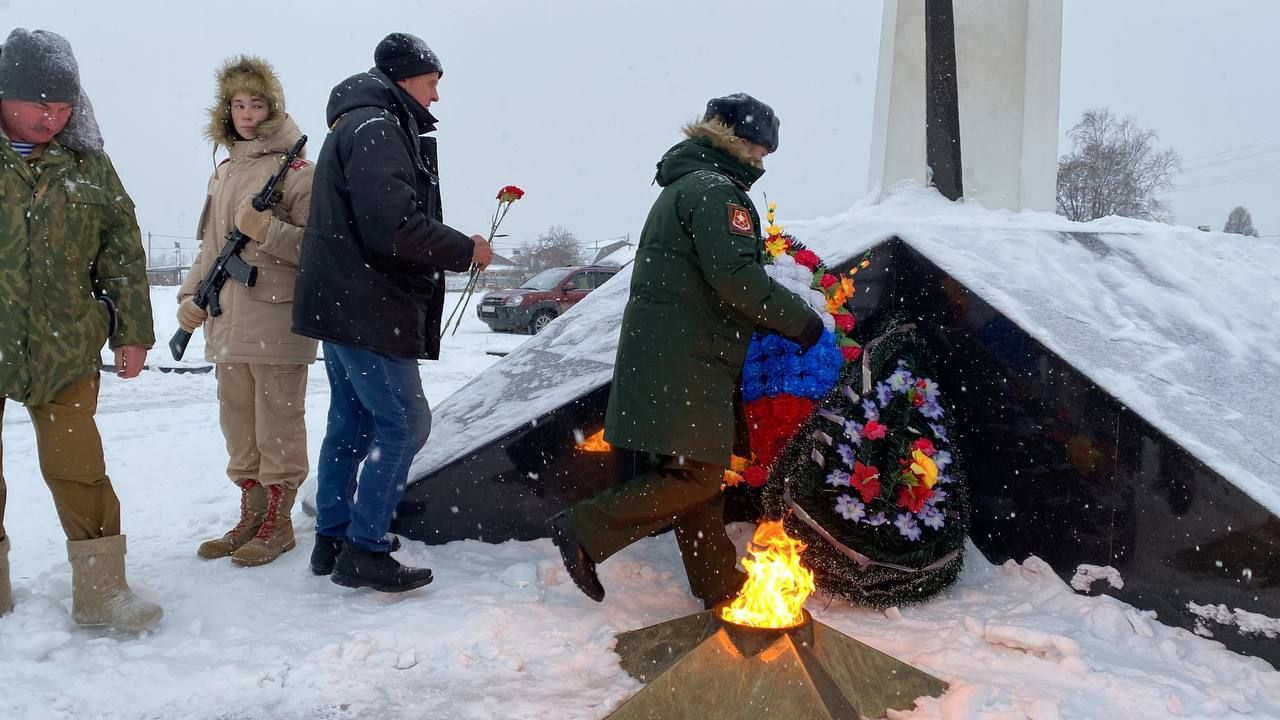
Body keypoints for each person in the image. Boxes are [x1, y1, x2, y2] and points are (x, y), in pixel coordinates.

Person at [549, 94, 824, 608]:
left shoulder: (685, 185)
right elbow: (736, 276)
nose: (762, 162)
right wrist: (802, 322)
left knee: (694, 469)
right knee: (695, 475)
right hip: (688, 358)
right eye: (762, 151)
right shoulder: (719, 193)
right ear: (740, 143)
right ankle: (585, 529)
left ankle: (718, 583)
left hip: (668, 354)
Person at [293, 32, 493, 592]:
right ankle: (364, 547)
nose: (436, 97)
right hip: (369, 305)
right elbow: (395, 227)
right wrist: (465, 249)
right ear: (406, 78)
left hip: (345, 303)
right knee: (405, 424)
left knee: (352, 423)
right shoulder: (379, 127)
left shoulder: (358, 123)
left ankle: (333, 535)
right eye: (432, 83)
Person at [0, 28, 162, 631]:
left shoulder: (89, 163)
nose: (52, 116)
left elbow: (121, 248)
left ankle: (102, 591)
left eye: (64, 104)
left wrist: (132, 331)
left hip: (65, 343)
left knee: (80, 468)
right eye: (38, 103)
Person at [177, 56, 316, 567]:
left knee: (277, 421)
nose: (247, 114)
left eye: (257, 103)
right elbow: (209, 249)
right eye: (238, 104)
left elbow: (320, 250)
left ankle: (278, 524)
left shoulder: (300, 173)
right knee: (239, 425)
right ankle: (251, 517)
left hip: (277, 322)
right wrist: (190, 298)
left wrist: (267, 231)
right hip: (227, 323)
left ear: (273, 108)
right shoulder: (225, 172)